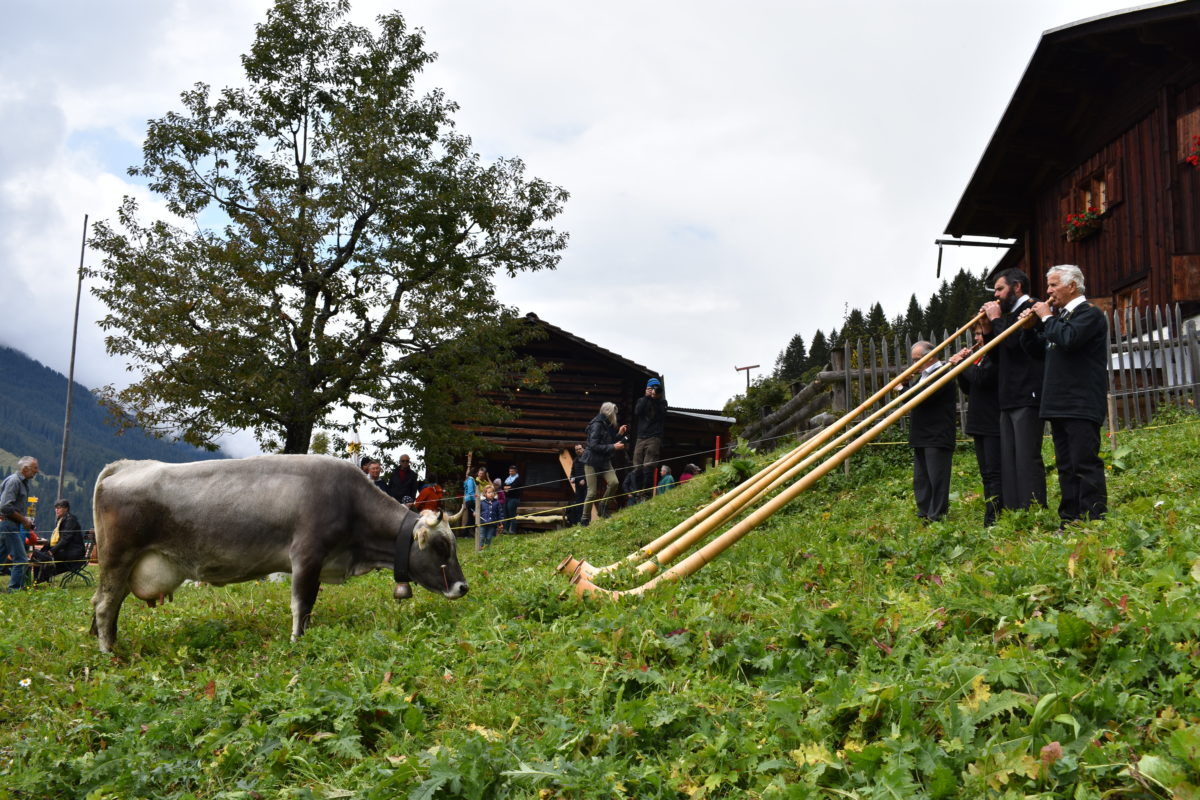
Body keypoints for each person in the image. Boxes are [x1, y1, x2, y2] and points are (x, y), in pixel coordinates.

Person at [1020, 264, 1109, 528]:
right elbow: (1039, 352)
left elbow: (1068, 340)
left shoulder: (1089, 314)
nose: (1048, 291)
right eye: (1048, 285)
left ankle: (1094, 519)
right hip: (1058, 402)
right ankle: (1070, 519)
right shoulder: (1059, 318)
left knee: (1085, 463)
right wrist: (1028, 329)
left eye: (1053, 285)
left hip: (1081, 402)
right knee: (1066, 466)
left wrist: (1046, 317)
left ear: (1072, 286)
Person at [981, 268, 1047, 512]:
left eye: (1000, 289)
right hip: (1008, 395)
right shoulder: (1009, 315)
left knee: (1027, 457)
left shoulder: (1032, 309)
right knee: (1008, 458)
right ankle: (1013, 510)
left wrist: (997, 320)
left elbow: (1014, 344)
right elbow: (999, 355)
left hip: (1027, 393)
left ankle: (1033, 508)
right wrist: (988, 330)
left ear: (1016, 286)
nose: (996, 295)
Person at [951, 324, 1003, 526]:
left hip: (993, 421)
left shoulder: (994, 357)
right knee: (986, 474)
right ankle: (991, 515)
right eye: (976, 335)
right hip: (979, 421)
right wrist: (961, 367)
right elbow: (968, 388)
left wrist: (964, 363)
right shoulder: (980, 358)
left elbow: (982, 379)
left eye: (980, 334)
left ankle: (995, 517)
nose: (978, 339)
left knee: (994, 473)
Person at [907, 342, 957, 523]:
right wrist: (905, 386)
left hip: (937, 434)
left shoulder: (943, 373)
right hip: (921, 433)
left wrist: (903, 389)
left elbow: (922, 398)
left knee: (937, 478)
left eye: (918, 360)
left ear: (931, 357)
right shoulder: (922, 376)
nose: (915, 365)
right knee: (921, 479)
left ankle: (937, 515)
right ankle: (924, 512)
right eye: (913, 360)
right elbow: (910, 400)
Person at [578, 402, 628, 525]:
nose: (615, 416)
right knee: (592, 492)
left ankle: (603, 507)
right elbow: (594, 446)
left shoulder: (608, 424)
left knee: (614, 482)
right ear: (609, 413)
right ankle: (585, 519)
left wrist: (619, 434)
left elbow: (609, 441)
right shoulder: (596, 425)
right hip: (591, 460)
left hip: (604, 460)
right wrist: (613, 447)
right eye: (614, 413)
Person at [0, 456, 39, 592]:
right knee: (21, 559)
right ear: (25, 468)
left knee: (1, 555)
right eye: (35, 468)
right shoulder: (14, 482)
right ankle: (14, 590)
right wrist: (24, 520)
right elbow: (5, 507)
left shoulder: (22, 483)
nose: (37, 471)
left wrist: (24, 519)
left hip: (10, 524)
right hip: (9, 524)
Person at [632, 378, 668, 501]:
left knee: (649, 466)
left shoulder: (662, 402)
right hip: (640, 437)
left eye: (656, 388)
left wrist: (656, 398)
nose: (654, 390)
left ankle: (646, 494)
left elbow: (661, 415)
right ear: (647, 388)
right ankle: (637, 493)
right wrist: (647, 397)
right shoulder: (642, 400)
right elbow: (637, 412)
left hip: (654, 437)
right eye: (651, 388)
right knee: (637, 466)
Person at [47, 499, 85, 578]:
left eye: (59, 508)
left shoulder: (70, 520)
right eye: (56, 508)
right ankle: (41, 578)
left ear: (66, 509)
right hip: (67, 550)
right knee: (42, 553)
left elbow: (65, 539)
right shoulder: (61, 520)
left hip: (74, 552)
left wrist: (52, 551)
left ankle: (43, 578)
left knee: (46, 556)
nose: (56, 510)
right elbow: (58, 537)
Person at [566, 444, 587, 526]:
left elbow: (592, 472)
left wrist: (584, 479)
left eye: (580, 449)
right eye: (576, 449)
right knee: (579, 503)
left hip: (587, 484)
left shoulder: (587, 458)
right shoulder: (575, 460)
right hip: (578, 485)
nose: (578, 450)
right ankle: (579, 521)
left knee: (586, 502)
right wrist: (572, 478)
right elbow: (572, 472)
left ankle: (586, 521)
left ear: (583, 449)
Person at [502, 465, 523, 536]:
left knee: (512, 514)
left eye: (512, 471)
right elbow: (503, 486)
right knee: (506, 513)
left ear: (515, 471)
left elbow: (514, 487)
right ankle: (505, 529)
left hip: (514, 498)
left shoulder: (518, 478)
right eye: (509, 471)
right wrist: (508, 488)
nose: (510, 472)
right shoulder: (508, 478)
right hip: (507, 498)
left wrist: (507, 488)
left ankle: (513, 530)